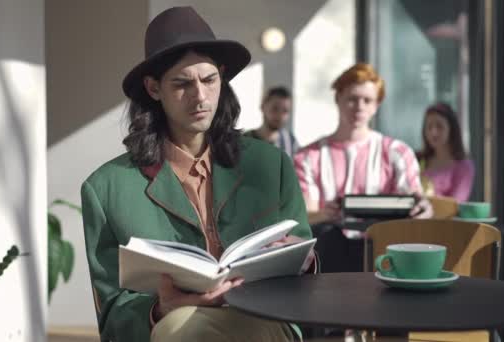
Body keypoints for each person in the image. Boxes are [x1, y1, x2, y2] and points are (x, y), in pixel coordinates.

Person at [81, 7, 315, 342]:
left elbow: (304, 263)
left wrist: (303, 258)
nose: (200, 97)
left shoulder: (271, 164)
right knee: (183, 330)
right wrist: (160, 309)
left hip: (263, 318)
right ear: (153, 88)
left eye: (209, 80)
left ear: (222, 77)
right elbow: (113, 314)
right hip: (172, 327)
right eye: (182, 84)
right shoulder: (105, 189)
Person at [293, 62, 432, 273]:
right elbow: (303, 217)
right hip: (328, 252)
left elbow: (415, 203)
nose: (359, 107)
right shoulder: (308, 157)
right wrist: (325, 213)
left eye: (367, 100)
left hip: (383, 252)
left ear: (376, 105)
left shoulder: (397, 152)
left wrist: (424, 208)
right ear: (338, 98)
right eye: (352, 99)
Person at [416, 102, 475, 202]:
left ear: (452, 129)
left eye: (439, 126)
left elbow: (456, 203)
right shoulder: (417, 159)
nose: (433, 132)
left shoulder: (463, 166)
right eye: (429, 127)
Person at [244, 86, 299, 157]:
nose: (280, 115)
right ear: (262, 106)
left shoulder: (292, 143)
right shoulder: (245, 141)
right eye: (275, 108)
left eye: (285, 111)